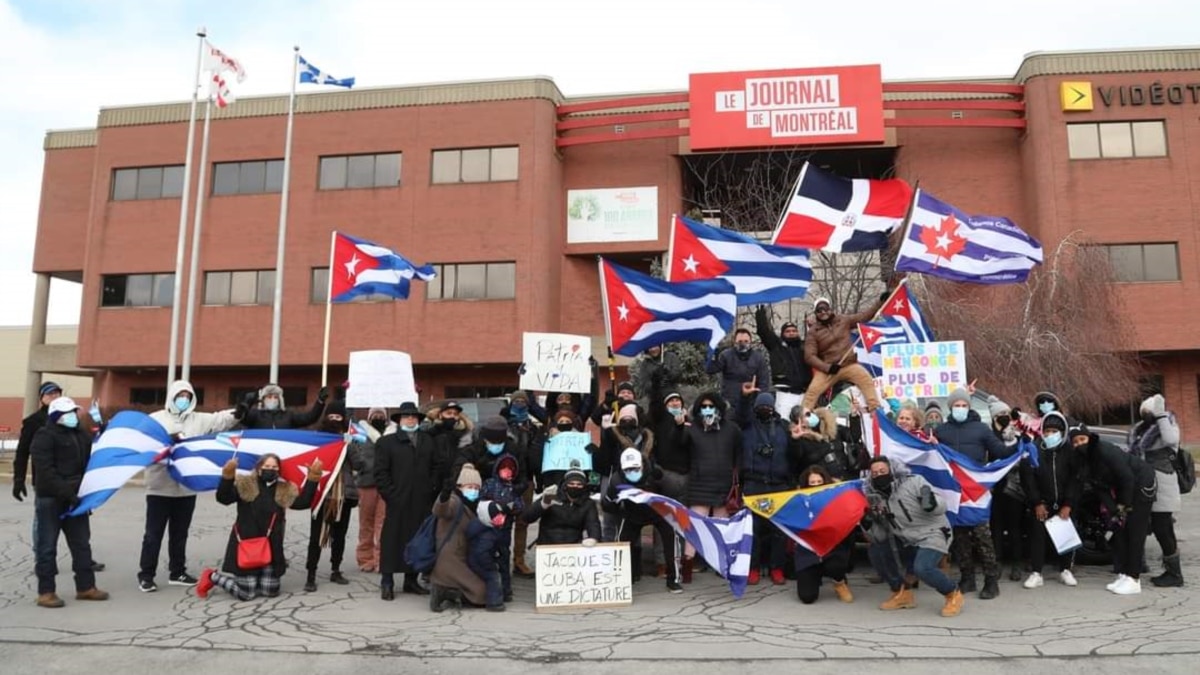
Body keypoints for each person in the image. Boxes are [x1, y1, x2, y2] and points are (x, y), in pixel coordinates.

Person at [137, 380, 244, 593]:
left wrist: (239, 411)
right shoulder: (155, 420)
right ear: (172, 397)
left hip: (186, 489)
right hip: (160, 488)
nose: (184, 399)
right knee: (153, 535)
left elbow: (219, 419)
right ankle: (146, 575)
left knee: (180, 533)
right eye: (180, 395)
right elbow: (142, 445)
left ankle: (177, 571)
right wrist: (167, 441)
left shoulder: (199, 420)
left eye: (188, 396)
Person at [195, 454, 322, 600]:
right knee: (246, 593)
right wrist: (227, 476)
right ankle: (212, 576)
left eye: (274, 467)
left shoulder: (283, 489)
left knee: (270, 591)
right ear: (259, 468)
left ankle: (258, 577)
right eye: (267, 467)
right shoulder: (247, 484)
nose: (271, 469)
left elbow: (303, 503)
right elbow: (223, 498)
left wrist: (313, 477)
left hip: (271, 548)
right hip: (247, 545)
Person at [30, 397, 109, 608]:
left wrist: (105, 428)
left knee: (81, 544)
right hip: (51, 500)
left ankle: (86, 587)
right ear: (56, 416)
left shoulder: (79, 434)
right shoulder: (44, 436)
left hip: (76, 499)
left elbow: (96, 447)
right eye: (68, 413)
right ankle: (46, 592)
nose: (73, 416)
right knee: (47, 547)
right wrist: (68, 494)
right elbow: (45, 472)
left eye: (74, 412)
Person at [935, 387, 1014, 600]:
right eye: (956, 405)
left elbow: (1001, 452)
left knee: (982, 536)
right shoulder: (941, 431)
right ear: (950, 407)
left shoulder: (981, 429)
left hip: (977, 491)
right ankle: (967, 577)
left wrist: (1015, 441)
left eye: (964, 405)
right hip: (954, 492)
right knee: (960, 537)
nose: (960, 408)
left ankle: (991, 580)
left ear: (969, 407)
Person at [864, 456, 963, 617]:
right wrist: (869, 523)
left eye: (882, 471)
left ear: (892, 470)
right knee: (877, 551)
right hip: (905, 537)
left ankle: (953, 593)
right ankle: (903, 593)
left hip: (933, 532)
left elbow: (941, 505)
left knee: (923, 568)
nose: (878, 475)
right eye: (874, 473)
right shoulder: (875, 498)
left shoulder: (914, 482)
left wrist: (931, 503)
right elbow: (880, 535)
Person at [1068, 423, 1157, 595]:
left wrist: (1123, 508)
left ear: (1089, 438)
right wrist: (1114, 511)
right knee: (1120, 530)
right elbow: (1099, 488)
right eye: (1075, 442)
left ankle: (1134, 578)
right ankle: (1124, 573)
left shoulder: (1105, 450)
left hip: (1140, 483)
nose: (1079, 444)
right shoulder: (1082, 462)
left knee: (1134, 532)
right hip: (1121, 489)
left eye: (1082, 439)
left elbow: (1127, 479)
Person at [375, 401, 442, 600]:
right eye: (406, 416)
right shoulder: (386, 443)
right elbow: (380, 473)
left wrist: (432, 487)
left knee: (417, 540)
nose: (410, 419)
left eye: (414, 416)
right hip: (398, 500)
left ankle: (411, 580)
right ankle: (387, 581)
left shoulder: (428, 440)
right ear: (399, 420)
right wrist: (391, 495)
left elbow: (436, 466)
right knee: (392, 540)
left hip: (422, 500)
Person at [677, 390, 741, 583]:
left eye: (710, 406)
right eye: (703, 406)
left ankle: (722, 565)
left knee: (721, 529)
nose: (707, 409)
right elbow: (680, 447)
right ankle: (686, 565)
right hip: (699, 485)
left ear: (719, 408)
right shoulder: (692, 429)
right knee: (694, 527)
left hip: (724, 486)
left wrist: (736, 481)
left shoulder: (732, 429)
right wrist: (679, 427)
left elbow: (738, 456)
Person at [737, 391, 800, 586]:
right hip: (754, 483)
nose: (765, 409)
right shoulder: (747, 426)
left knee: (778, 532)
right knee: (752, 530)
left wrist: (796, 440)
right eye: (761, 406)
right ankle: (753, 568)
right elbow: (740, 413)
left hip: (778, 485)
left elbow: (794, 456)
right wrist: (746, 398)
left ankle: (777, 568)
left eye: (768, 406)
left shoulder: (783, 428)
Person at [602, 448, 683, 592]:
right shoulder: (616, 480)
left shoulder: (656, 473)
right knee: (622, 542)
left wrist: (663, 483)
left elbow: (674, 494)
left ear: (642, 465)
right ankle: (622, 578)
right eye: (628, 470)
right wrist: (619, 511)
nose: (632, 472)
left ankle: (673, 579)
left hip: (660, 511)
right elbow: (608, 504)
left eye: (635, 468)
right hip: (632, 513)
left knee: (671, 541)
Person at [1019, 412, 1082, 589]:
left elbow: (1074, 480)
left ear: (1062, 433)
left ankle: (1066, 570)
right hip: (1042, 503)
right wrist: (1037, 502)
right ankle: (1036, 573)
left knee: (1066, 534)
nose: (1049, 435)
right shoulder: (1034, 449)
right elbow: (1028, 480)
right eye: (1046, 431)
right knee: (1037, 536)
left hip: (1063, 503)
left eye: (1054, 431)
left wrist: (1068, 504)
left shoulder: (1070, 451)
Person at [1129, 394, 1185, 588]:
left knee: (1163, 528)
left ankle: (1174, 573)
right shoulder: (1143, 428)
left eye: (1148, 412)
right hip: (1145, 484)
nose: (1145, 415)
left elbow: (1171, 439)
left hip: (1163, 485)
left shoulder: (1167, 424)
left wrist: (1161, 415)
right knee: (1142, 525)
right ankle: (1139, 563)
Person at [304, 401, 358, 592]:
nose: (335, 420)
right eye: (332, 416)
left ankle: (336, 569)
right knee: (316, 536)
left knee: (339, 535)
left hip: (345, 494)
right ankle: (311, 573)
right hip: (322, 493)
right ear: (325, 418)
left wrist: (349, 445)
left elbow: (359, 464)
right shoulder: (317, 439)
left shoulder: (348, 439)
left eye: (338, 417)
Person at [801, 295, 886, 413]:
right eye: (819, 310)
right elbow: (809, 356)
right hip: (829, 369)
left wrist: (880, 302)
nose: (823, 312)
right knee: (812, 392)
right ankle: (803, 419)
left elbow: (864, 316)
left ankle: (875, 411)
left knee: (867, 380)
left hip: (848, 364)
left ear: (830, 309)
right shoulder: (813, 332)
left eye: (825, 309)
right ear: (815, 313)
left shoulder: (843, 320)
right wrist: (827, 367)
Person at [429, 463, 488, 612]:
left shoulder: (471, 504)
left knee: (485, 588)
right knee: (482, 593)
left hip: (460, 556)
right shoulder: (455, 501)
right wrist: (444, 496)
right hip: (450, 559)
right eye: (470, 487)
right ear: (460, 486)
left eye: (476, 488)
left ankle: (446, 590)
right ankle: (445, 592)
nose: (474, 491)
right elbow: (440, 510)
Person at [793, 466, 855, 604]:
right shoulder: (797, 501)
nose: (816, 485)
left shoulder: (836, 500)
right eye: (812, 483)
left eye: (819, 482)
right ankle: (815, 576)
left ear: (825, 482)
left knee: (836, 564)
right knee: (807, 597)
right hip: (808, 552)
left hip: (832, 549)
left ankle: (839, 582)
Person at [500, 389, 544, 577]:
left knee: (522, 522)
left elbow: (536, 454)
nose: (520, 403)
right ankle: (500, 559)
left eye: (523, 401)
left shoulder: (532, 427)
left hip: (526, 479)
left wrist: (538, 479)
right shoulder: (502, 425)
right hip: (504, 481)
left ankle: (519, 560)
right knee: (501, 521)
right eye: (516, 400)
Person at [987, 395, 1030, 582]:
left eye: (1006, 412)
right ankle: (996, 563)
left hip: (1014, 489)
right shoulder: (988, 436)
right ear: (993, 416)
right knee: (995, 528)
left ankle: (1016, 564)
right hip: (994, 489)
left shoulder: (1017, 435)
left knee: (1015, 528)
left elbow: (1025, 457)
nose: (1004, 416)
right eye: (1000, 414)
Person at [349, 407, 390, 573]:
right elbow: (353, 452)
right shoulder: (360, 433)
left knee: (383, 524)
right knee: (366, 524)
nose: (378, 416)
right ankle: (365, 558)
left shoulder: (392, 433)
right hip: (366, 483)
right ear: (369, 417)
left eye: (381, 414)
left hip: (387, 484)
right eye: (375, 414)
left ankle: (381, 559)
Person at [481, 454, 525, 602]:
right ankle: (487, 587)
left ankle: (506, 589)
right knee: (487, 556)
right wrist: (495, 507)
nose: (507, 471)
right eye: (504, 468)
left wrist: (509, 508)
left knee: (504, 558)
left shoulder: (513, 489)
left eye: (510, 469)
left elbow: (520, 506)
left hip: (505, 529)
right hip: (488, 527)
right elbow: (482, 500)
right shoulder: (489, 483)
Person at [755, 305, 811, 418]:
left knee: (806, 426)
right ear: (782, 334)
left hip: (805, 394)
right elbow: (764, 332)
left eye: (794, 331)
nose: (791, 333)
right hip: (785, 394)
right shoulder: (776, 346)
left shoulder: (805, 347)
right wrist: (760, 315)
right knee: (784, 424)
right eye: (788, 331)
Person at [522, 467, 601, 546]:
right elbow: (527, 517)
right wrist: (543, 504)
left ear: (584, 486)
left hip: (573, 546)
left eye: (579, 484)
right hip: (547, 544)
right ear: (565, 484)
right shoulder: (551, 496)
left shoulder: (588, 503)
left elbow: (593, 524)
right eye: (571, 484)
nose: (575, 486)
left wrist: (594, 538)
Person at [706, 328, 770, 411]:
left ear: (750, 341)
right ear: (735, 342)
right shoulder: (726, 355)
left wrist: (760, 401)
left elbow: (764, 382)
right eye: (740, 341)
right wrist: (714, 353)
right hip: (730, 403)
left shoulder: (758, 358)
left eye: (746, 341)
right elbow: (710, 370)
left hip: (751, 403)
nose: (743, 344)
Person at [465, 500, 510, 612]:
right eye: (496, 516)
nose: (501, 518)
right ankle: (494, 603)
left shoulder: (483, 526)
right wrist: (490, 565)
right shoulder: (487, 535)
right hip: (480, 561)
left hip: (476, 558)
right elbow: (482, 552)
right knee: (493, 577)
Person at [240, 383, 329, 430]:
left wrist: (320, 401)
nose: (272, 399)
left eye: (275, 397)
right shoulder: (256, 415)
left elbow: (310, 418)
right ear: (263, 399)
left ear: (280, 400)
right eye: (269, 397)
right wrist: (247, 404)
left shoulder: (288, 415)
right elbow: (241, 417)